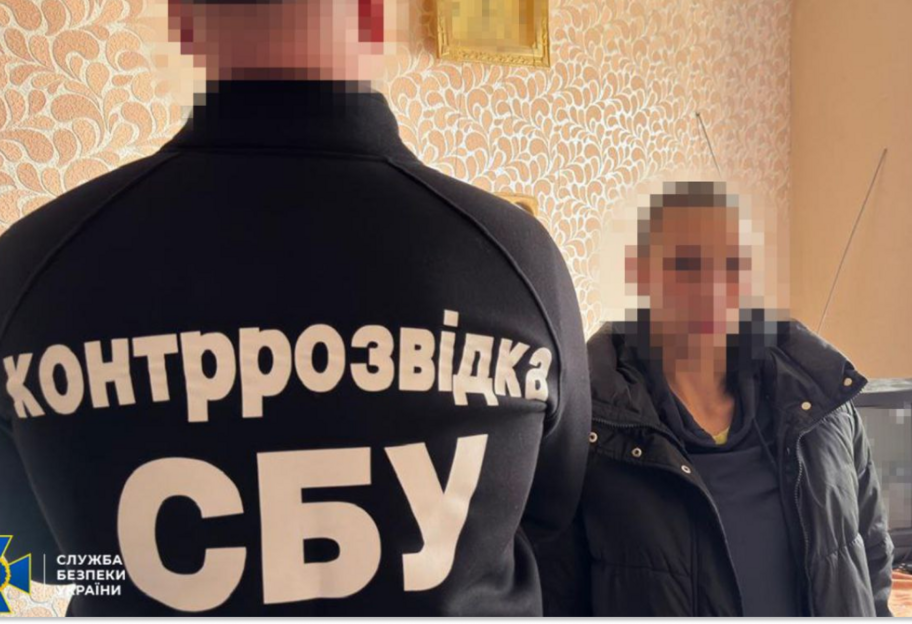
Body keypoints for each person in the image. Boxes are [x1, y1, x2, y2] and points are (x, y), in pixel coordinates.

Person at [0, 0, 591, 616]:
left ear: (183, 23)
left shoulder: (31, 266)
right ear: (372, 18)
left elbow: (33, 557)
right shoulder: (515, 258)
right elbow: (548, 511)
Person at [534, 180, 894, 617]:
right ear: (640, 274)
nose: (713, 289)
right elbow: (553, 595)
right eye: (686, 264)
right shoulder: (590, 426)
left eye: (733, 265)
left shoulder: (826, 407)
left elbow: (871, 558)